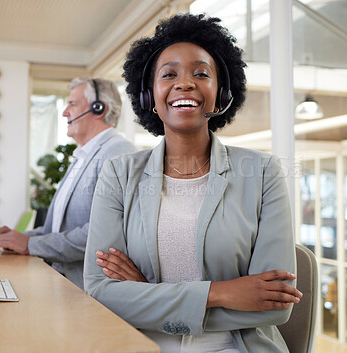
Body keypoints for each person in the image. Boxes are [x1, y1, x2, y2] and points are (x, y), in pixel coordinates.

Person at [84, 14, 302, 353]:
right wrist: (222, 292)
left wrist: (146, 293)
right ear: (148, 97)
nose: (184, 83)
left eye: (201, 73)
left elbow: (276, 302)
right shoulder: (118, 174)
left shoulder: (263, 172)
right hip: (139, 344)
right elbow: (100, 291)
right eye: (168, 74)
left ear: (221, 94)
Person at [0, 77, 137, 289]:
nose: (65, 112)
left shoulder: (119, 153)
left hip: (89, 290)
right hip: (62, 281)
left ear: (98, 108)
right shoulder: (83, 156)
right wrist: (16, 238)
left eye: (72, 104)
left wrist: (30, 244)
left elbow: (101, 234)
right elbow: (57, 230)